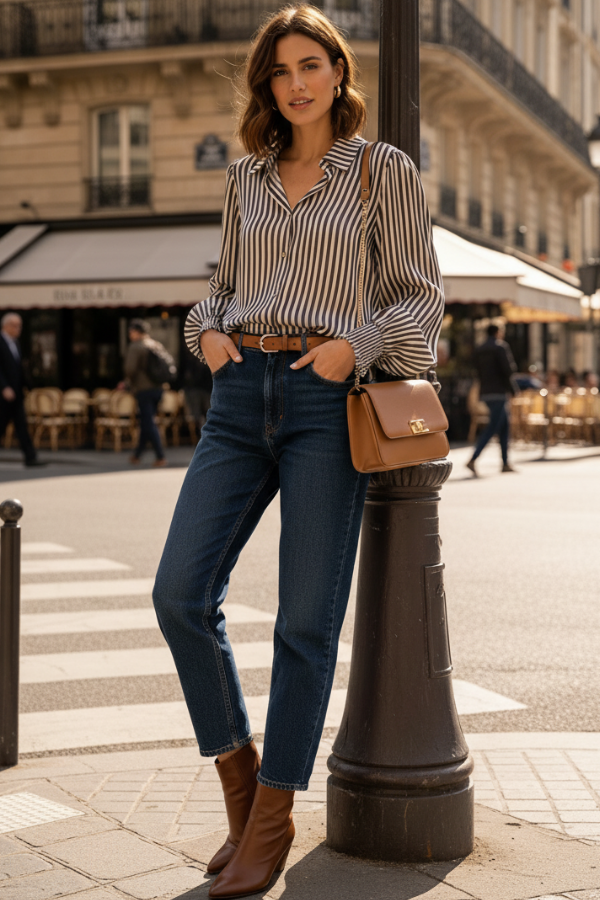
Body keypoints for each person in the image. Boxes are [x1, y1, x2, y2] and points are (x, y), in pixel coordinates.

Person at [152, 7, 444, 898]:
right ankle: (242, 791)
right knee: (178, 593)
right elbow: (220, 289)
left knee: (304, 625)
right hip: (241, 395)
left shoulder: (379, 171)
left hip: (327, 397)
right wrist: (207, 335)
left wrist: (352, 346)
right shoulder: (247, 179)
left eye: (310, 65)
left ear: (339, 71)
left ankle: (272, 821)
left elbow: (422, 299)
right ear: (266, 85)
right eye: (279, 72)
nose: (295, 84)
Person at [467, 324, 517, 476]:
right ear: (497, 332)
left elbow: (476, 370)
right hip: (499, 392)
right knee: (493, 426)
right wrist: (513, 390)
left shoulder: (480, 349)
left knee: (504, 426)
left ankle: (505, 462)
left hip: (486, 392)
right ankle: (473, 458)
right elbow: (508, 370)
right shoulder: (500, 347)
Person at [0, 312, 44, 468]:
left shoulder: (15, 343)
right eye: (15, 325)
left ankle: (30, 457)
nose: (18, 329)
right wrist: (4, 387)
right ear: (6, 326)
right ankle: (30, 456)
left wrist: (28, 387)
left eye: (20, 326)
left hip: (17, 394)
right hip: (4, 395)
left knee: (21, 426)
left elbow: (18, 370)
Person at [122, 319, 167, 467]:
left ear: (136, 332)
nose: (129, 334)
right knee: (146, 420)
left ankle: (160, 455)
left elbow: (130, 369)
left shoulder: (136, 346)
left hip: (144, 389)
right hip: (159, 388)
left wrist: (127, 383)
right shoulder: (156, 344)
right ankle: (137, 454)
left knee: (148, 421)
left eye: (131, 331)